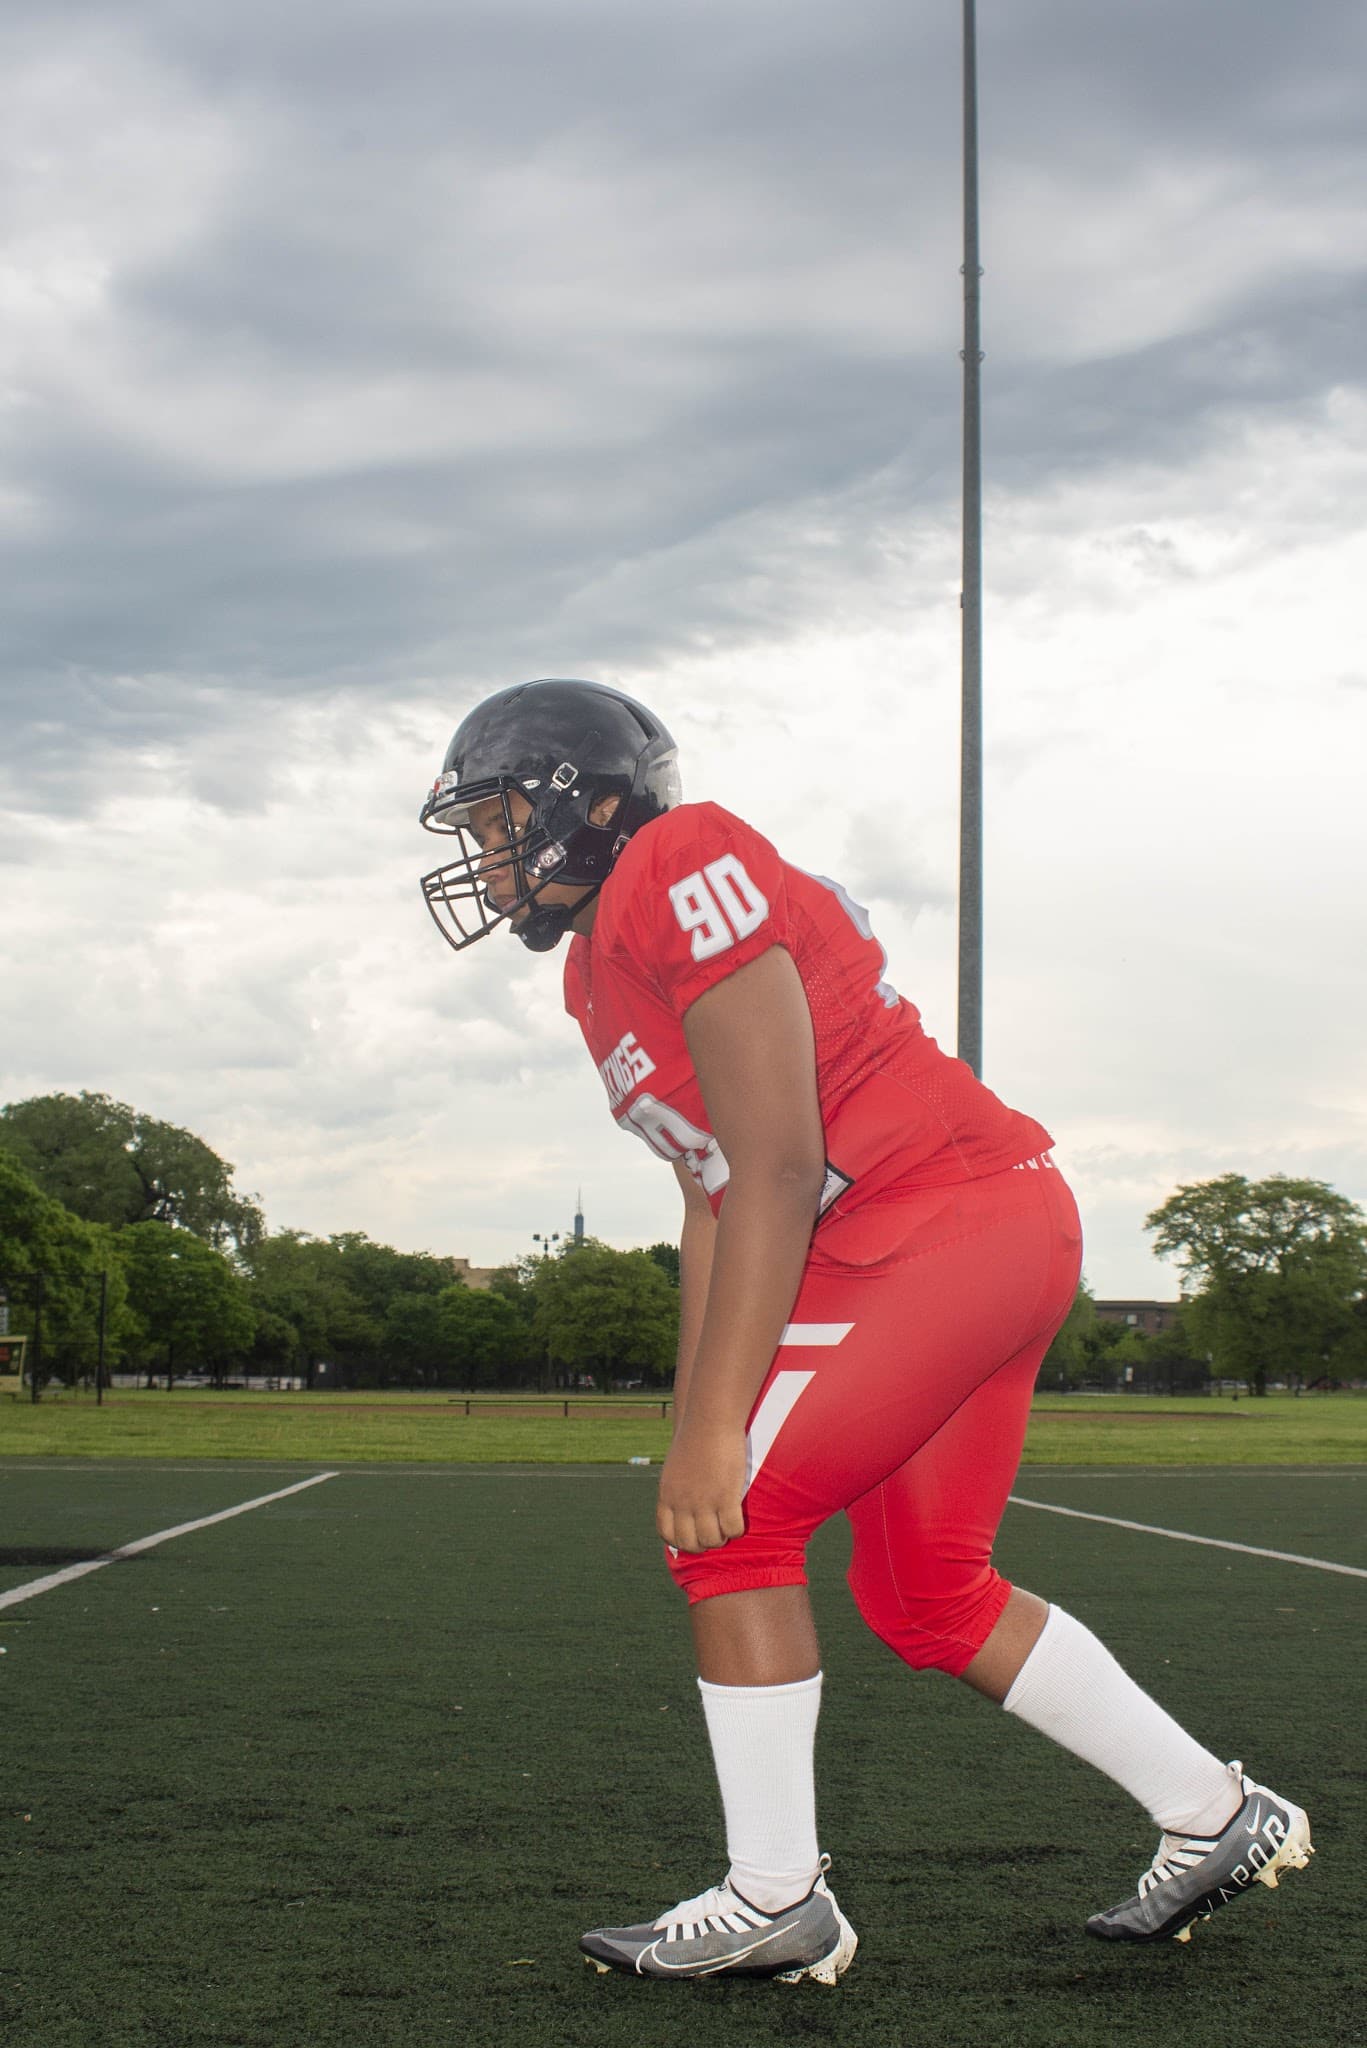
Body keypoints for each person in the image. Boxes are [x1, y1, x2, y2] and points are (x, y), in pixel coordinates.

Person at [418, 677, 1313, 1982]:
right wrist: (692, 1418)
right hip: (953, 1238)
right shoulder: (597, 982)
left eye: (500, 821)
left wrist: (718, 1438)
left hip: (936, 1225)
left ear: (591, 804)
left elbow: (778, 1164)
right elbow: (712, 1205)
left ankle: (778, 1897)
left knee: (734, 1526)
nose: (490, 858)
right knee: (926, 1594)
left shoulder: (680, 852)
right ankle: (1217, 1813)